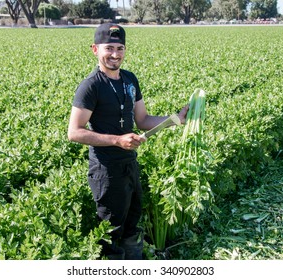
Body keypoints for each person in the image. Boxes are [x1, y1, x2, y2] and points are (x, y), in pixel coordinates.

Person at [67, 23, 188, 260]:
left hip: (129, 164)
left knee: (133, 223)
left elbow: (142, 120)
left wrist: (175, 119)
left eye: (120, 48)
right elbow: (74, 132)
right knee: (111, 231)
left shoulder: (130, 80)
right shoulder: (91, 86)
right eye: (109, 48)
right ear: (95, 49)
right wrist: (117, 140)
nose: (115, 54)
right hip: (106, 170)